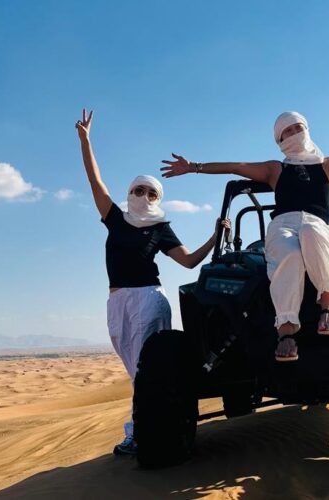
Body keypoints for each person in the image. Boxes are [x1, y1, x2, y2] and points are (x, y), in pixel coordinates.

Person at [160, 111, 329, 361]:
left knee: (313, 232)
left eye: (297, 127)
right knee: (288, 254)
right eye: (286, 132)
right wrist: (194, 166)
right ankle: (286, 331)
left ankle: (328, 305)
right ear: (279, 140)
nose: (293, 134)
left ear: (307, 128)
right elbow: (236, 167)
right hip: (282, 224)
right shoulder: (276, 169)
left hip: (316, 223)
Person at [75, 109, 229, 456]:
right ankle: (146, 426)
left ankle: (138, 432)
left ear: (158, 198)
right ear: (130, 191)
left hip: (148, 299)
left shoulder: (160, 228)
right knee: (137, 371)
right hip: (117, 302)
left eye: (151, 192)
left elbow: (188, 261)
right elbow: (94, 181)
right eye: (139, 189)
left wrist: (214, 235)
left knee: (148, 372)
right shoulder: (115, 218)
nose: (144, 195)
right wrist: (86, 141)